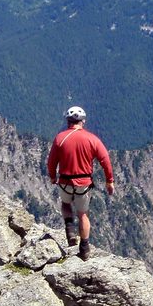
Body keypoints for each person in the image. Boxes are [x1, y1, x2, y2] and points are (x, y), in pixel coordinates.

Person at [47, 106, 114, 260]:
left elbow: (51, 161)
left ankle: (69, 228)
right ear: (83, 121)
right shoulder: (92, 139)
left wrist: (52, 177)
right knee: (83, 214)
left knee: (66, 204)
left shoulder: (60, 138)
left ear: (68, 121)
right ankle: (84, 248)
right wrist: (109, 181)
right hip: (84, 183)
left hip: (65, 181)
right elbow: (105, 160)